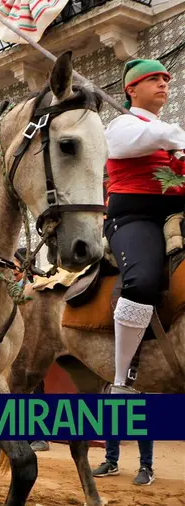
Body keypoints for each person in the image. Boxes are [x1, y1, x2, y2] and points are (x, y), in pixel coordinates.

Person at [103, 59, 185, 395]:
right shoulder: (121, 126)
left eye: (166, 79)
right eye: (153, 79)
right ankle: (122, 379)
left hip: (176, 214)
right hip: (134, 217)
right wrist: (177, 137)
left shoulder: (164, 131)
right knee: (142, 281)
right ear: (131, 89)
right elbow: (136, 142)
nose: (164, 84)